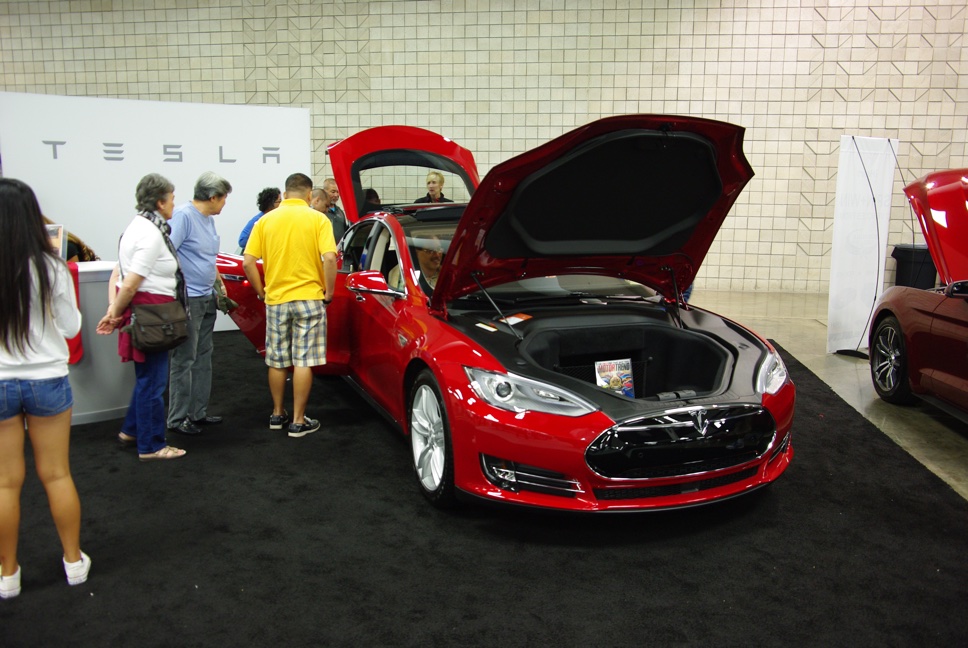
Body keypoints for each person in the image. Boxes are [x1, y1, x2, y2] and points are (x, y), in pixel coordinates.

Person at [0, 178, 90, 599]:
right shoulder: (50, 266)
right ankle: (73, 562)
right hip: (47, 380)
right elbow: (71, 326)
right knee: (56, 474)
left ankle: (9, 574)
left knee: (5, 483)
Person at [96, 173, 187, 462]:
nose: (174, 203)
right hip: (153, 316)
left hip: (148, 313)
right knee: (154, 382)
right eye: (172, 198)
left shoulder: (137, 227)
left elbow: (125, 279)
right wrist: (114, 314)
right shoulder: (149, 233)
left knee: (147, 377)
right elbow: (132, 281)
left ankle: (132, 431)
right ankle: (152, 445)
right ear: (160, 202)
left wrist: (116, 312)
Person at [242, 173, 337, 439]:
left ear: (284, 194)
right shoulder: (318, 219)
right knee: (304, 360)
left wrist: (262, 292)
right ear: (309, 195)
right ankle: (298, 421)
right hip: (309, 298)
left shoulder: (265, 220)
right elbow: (329, 258)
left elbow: (248, 262)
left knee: (277, 359)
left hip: (277, 299)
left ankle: (277, 414)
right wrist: (329, 292)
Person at [166, 172, 233, 437]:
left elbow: (207, 257)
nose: (225, 204)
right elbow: (168, 253)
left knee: (203, 356)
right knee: (184, 359)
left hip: (206, 296)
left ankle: (197, 412)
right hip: (189, 299)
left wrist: (219, 285)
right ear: (213, 197)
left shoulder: (207, 220)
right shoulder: (183, 216)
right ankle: (177, 418)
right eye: (224, 199)